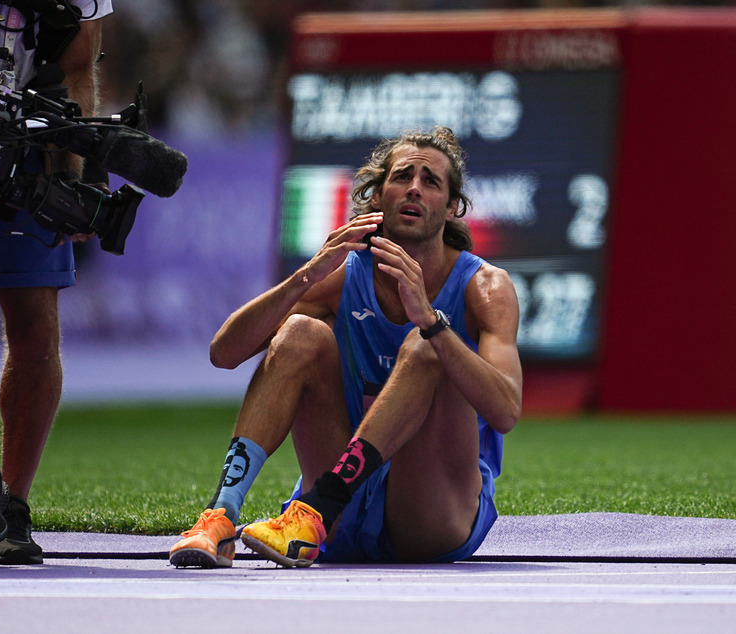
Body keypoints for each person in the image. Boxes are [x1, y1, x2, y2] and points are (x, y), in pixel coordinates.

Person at [169, 126, 522, 568]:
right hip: (341, 518)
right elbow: (224, 353)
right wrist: (307, 275)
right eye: (401, 177)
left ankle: (318, 508)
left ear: (452, 208)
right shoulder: (342, 273)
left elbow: (506, 411)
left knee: (427, 344)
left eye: (430, 182)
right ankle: (219, 520)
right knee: (299, 331)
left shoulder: (486, 286)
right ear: (378, 197)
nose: (413, 188)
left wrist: (431, 322)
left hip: (433, 516)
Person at [0, 0, 112, 565]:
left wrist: (68, 176)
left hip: (23, 135)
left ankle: (10, 509)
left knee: (35, 330)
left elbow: (77, 67)